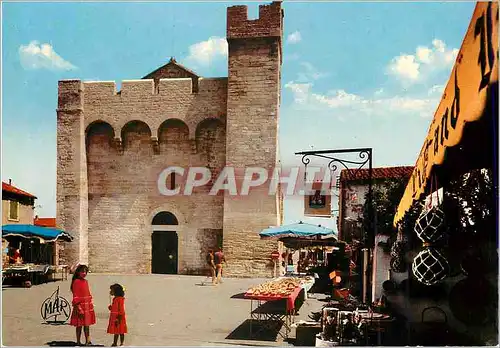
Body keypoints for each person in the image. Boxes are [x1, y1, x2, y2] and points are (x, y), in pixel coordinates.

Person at [69, 264, 96, 346]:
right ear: (78, 272)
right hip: (80, 306)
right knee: (79, 325)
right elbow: (76, 296)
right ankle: (78, 341)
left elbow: (88, 293)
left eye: (85, 272)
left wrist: (91, 303)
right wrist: (78, 307)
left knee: (87, 325)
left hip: (87, 306)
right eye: (82, 272)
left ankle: (88, 340)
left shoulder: (85, 282)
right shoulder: (76, 282)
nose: (84, 273)